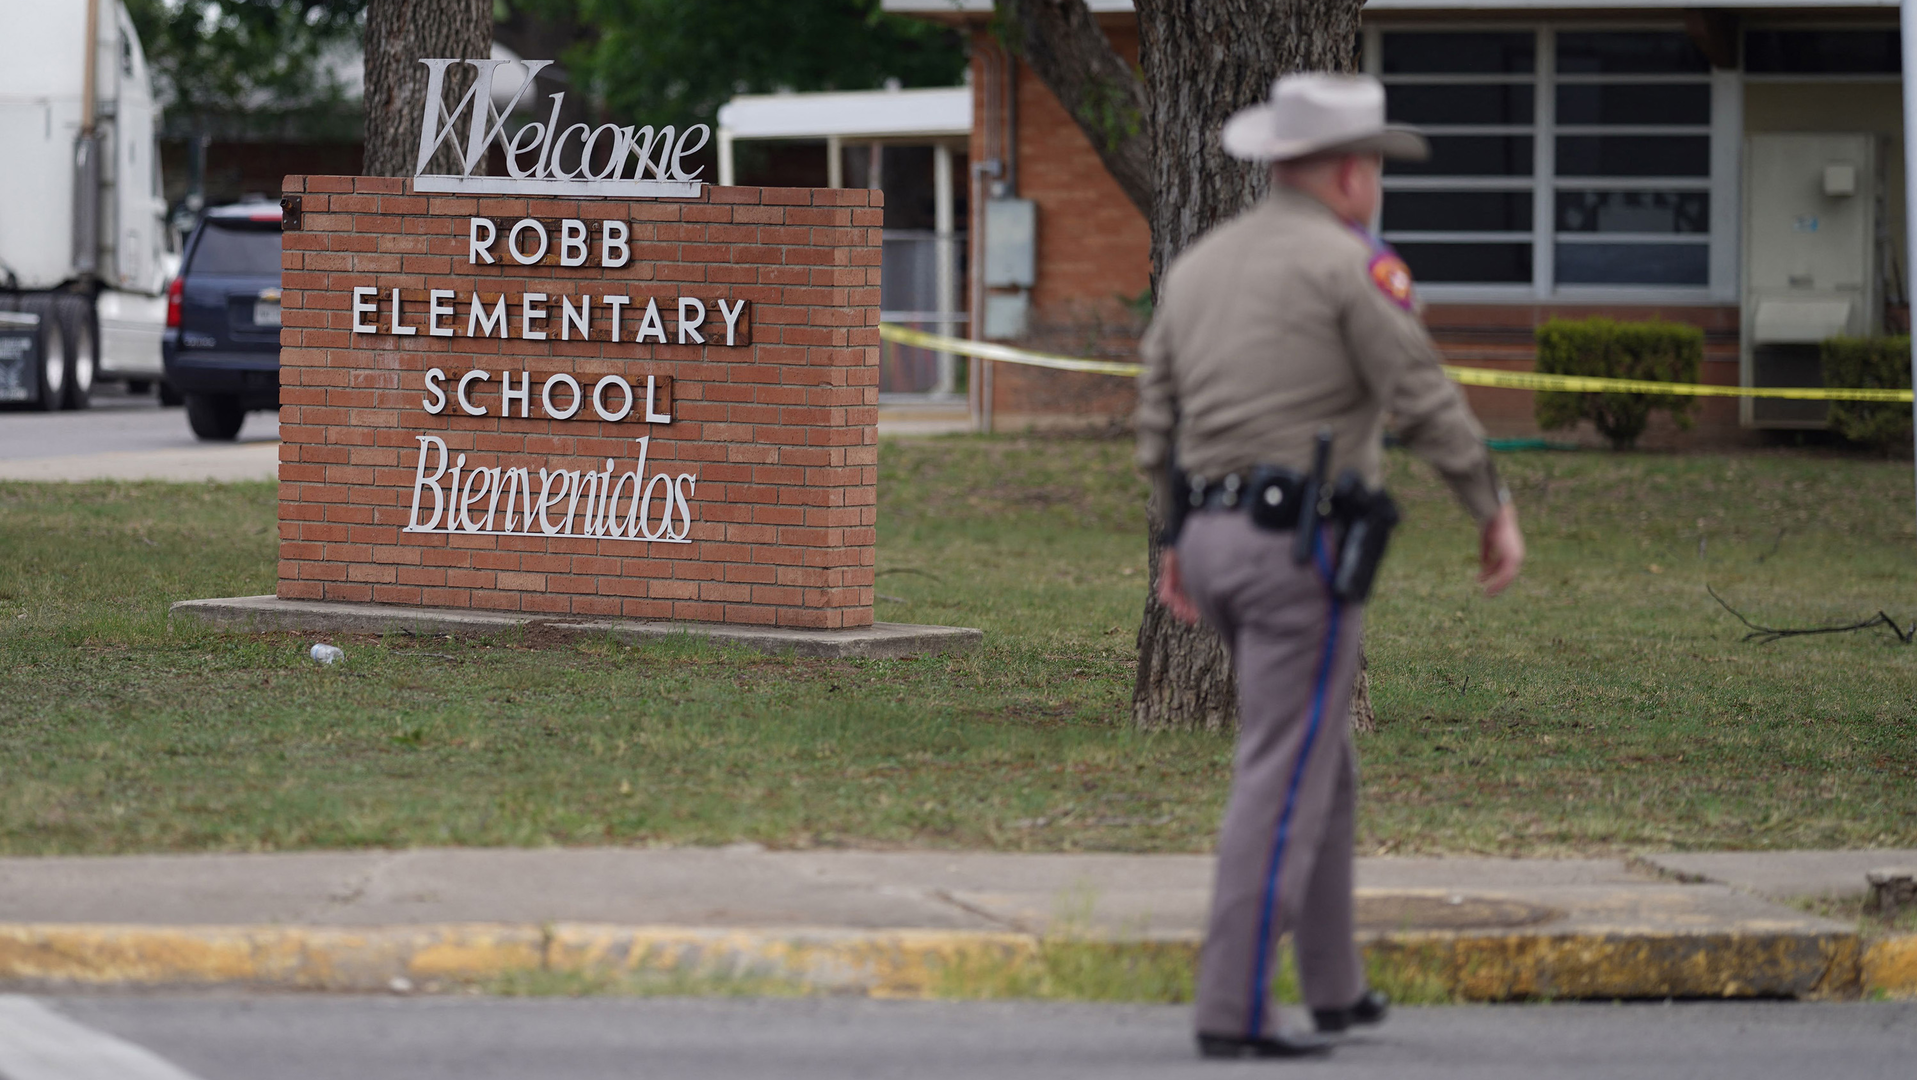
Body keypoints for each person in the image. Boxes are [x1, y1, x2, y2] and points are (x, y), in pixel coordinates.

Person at [1134, 73, 1526, 1061]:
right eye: (1378, 169)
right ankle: (1234, 1007)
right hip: (1293, 553)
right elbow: (1423, 396)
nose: (1378, 185)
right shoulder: (1350, 266)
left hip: (1214, 543)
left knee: (1320, 761)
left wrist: (1176, 539)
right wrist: (1491, 507)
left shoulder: (1199, 265)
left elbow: (1156, 417)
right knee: (1280, 770)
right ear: (1353, 172)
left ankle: (1337, 987)